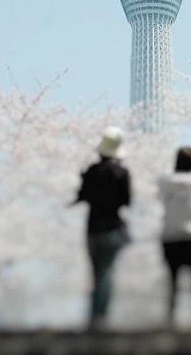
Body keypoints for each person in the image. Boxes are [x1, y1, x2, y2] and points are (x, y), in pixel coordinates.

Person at [73, 126, 131, 329]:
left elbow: (81, 197)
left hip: (92, 229)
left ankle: (93, 316)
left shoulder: (90, 172)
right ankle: (101, 317)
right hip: (112, 228)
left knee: (95, 273)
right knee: (106, 272)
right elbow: (126, 201)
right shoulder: (122, 173)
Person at [157, 146, 191, 323]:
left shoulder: (165, 181)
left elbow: (160, 197)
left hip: (170, 236)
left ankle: (170, 320)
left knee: (173, 283)